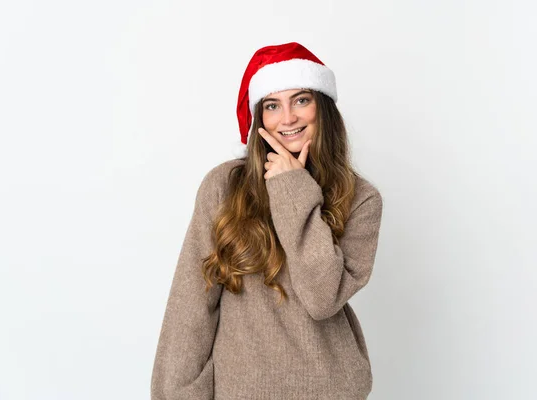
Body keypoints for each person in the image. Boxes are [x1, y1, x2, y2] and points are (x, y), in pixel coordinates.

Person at [151, 42, 384, 400]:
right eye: (273, 106)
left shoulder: (361, 199)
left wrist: (293, 188)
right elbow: (191, 306)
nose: (287, 118)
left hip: (331, 389)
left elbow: (322, 298)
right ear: (259, 117)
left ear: (323, 109)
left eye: (301, 100)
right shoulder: (225, 186)